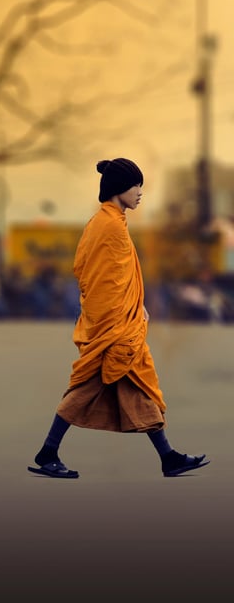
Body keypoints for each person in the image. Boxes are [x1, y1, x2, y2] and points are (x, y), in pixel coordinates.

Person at [28, 158, 209, 479]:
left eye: (140, 185)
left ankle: (169, 457)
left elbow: (114, 276)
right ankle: (48, 452)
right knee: (87, 387)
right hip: (112, 327)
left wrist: (135, 305)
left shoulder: (107, 222)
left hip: (120, 321)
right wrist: (122, 315)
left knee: (138, 386)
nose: (140, 192)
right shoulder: (108, 226)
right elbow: (100, 281)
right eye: (134, 185)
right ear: (117, 188)